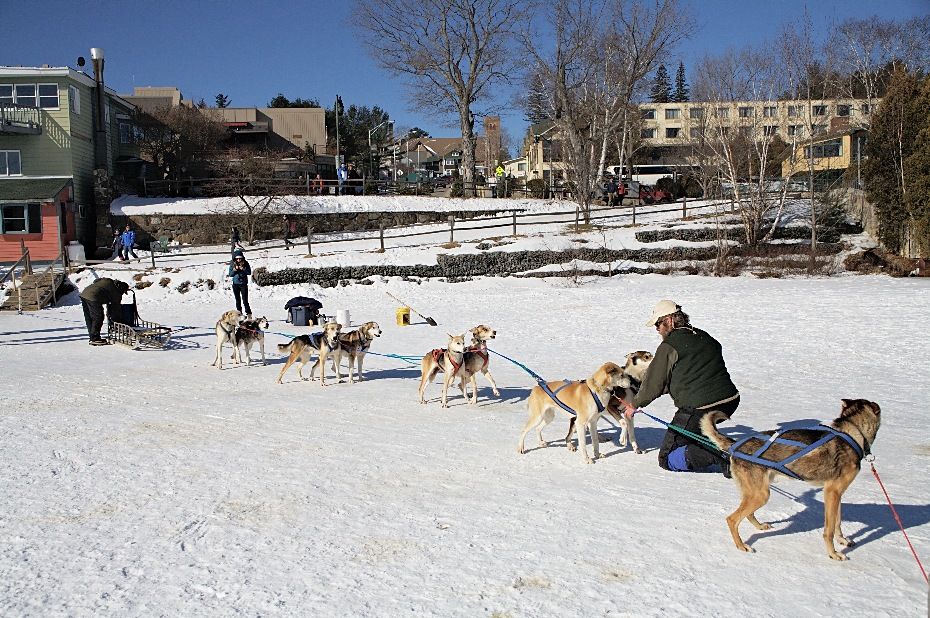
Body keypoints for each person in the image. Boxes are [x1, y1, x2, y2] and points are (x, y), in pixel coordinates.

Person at [617, 300, 740, 474]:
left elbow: (654, 383)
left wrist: (634, 404)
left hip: (701, 407)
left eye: (658, 324)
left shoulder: (669, 346)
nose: (657, 329)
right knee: (694, 436)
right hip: (730, 401)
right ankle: (735, 449)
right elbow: (693, 368)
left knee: (667, 457)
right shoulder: (703, 335)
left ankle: (726, 456)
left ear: (669, 320)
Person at [79, 278, 130, 346]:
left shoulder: (108, 281)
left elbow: (96, 280)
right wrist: (117, 321)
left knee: (89, 317)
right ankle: (95, 339)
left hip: (84, 293)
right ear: (122, 289)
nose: (123, 294)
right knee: (98, 317)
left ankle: (92, 337)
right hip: (93, 296)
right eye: (123, 292)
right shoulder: (116, 292)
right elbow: (115, 309)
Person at [227, 249, 252, 317]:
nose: (238, 260)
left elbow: (249, 272)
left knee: (245, 301)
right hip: (235, 284)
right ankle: (239, 314)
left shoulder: (245, 263)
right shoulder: (232, 264)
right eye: (237, 259)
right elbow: (230, 274)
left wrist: (243, 269)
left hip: (243, 284)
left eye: (240, 258)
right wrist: (234, 270)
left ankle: (249, 314)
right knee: (238, 300)